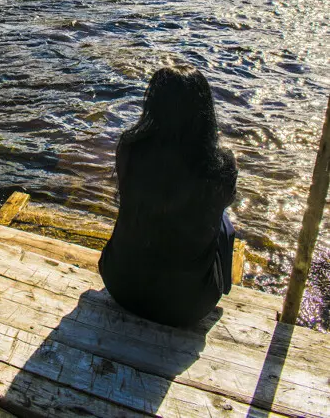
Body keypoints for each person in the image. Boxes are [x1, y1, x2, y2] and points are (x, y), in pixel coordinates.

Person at [98, 63, 238, 327]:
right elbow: (224, 202)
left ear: (152, 104)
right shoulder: (221, 165)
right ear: (205, 111)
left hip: (120, 285)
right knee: (224, 221)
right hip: (187, 307)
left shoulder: (129, 148)